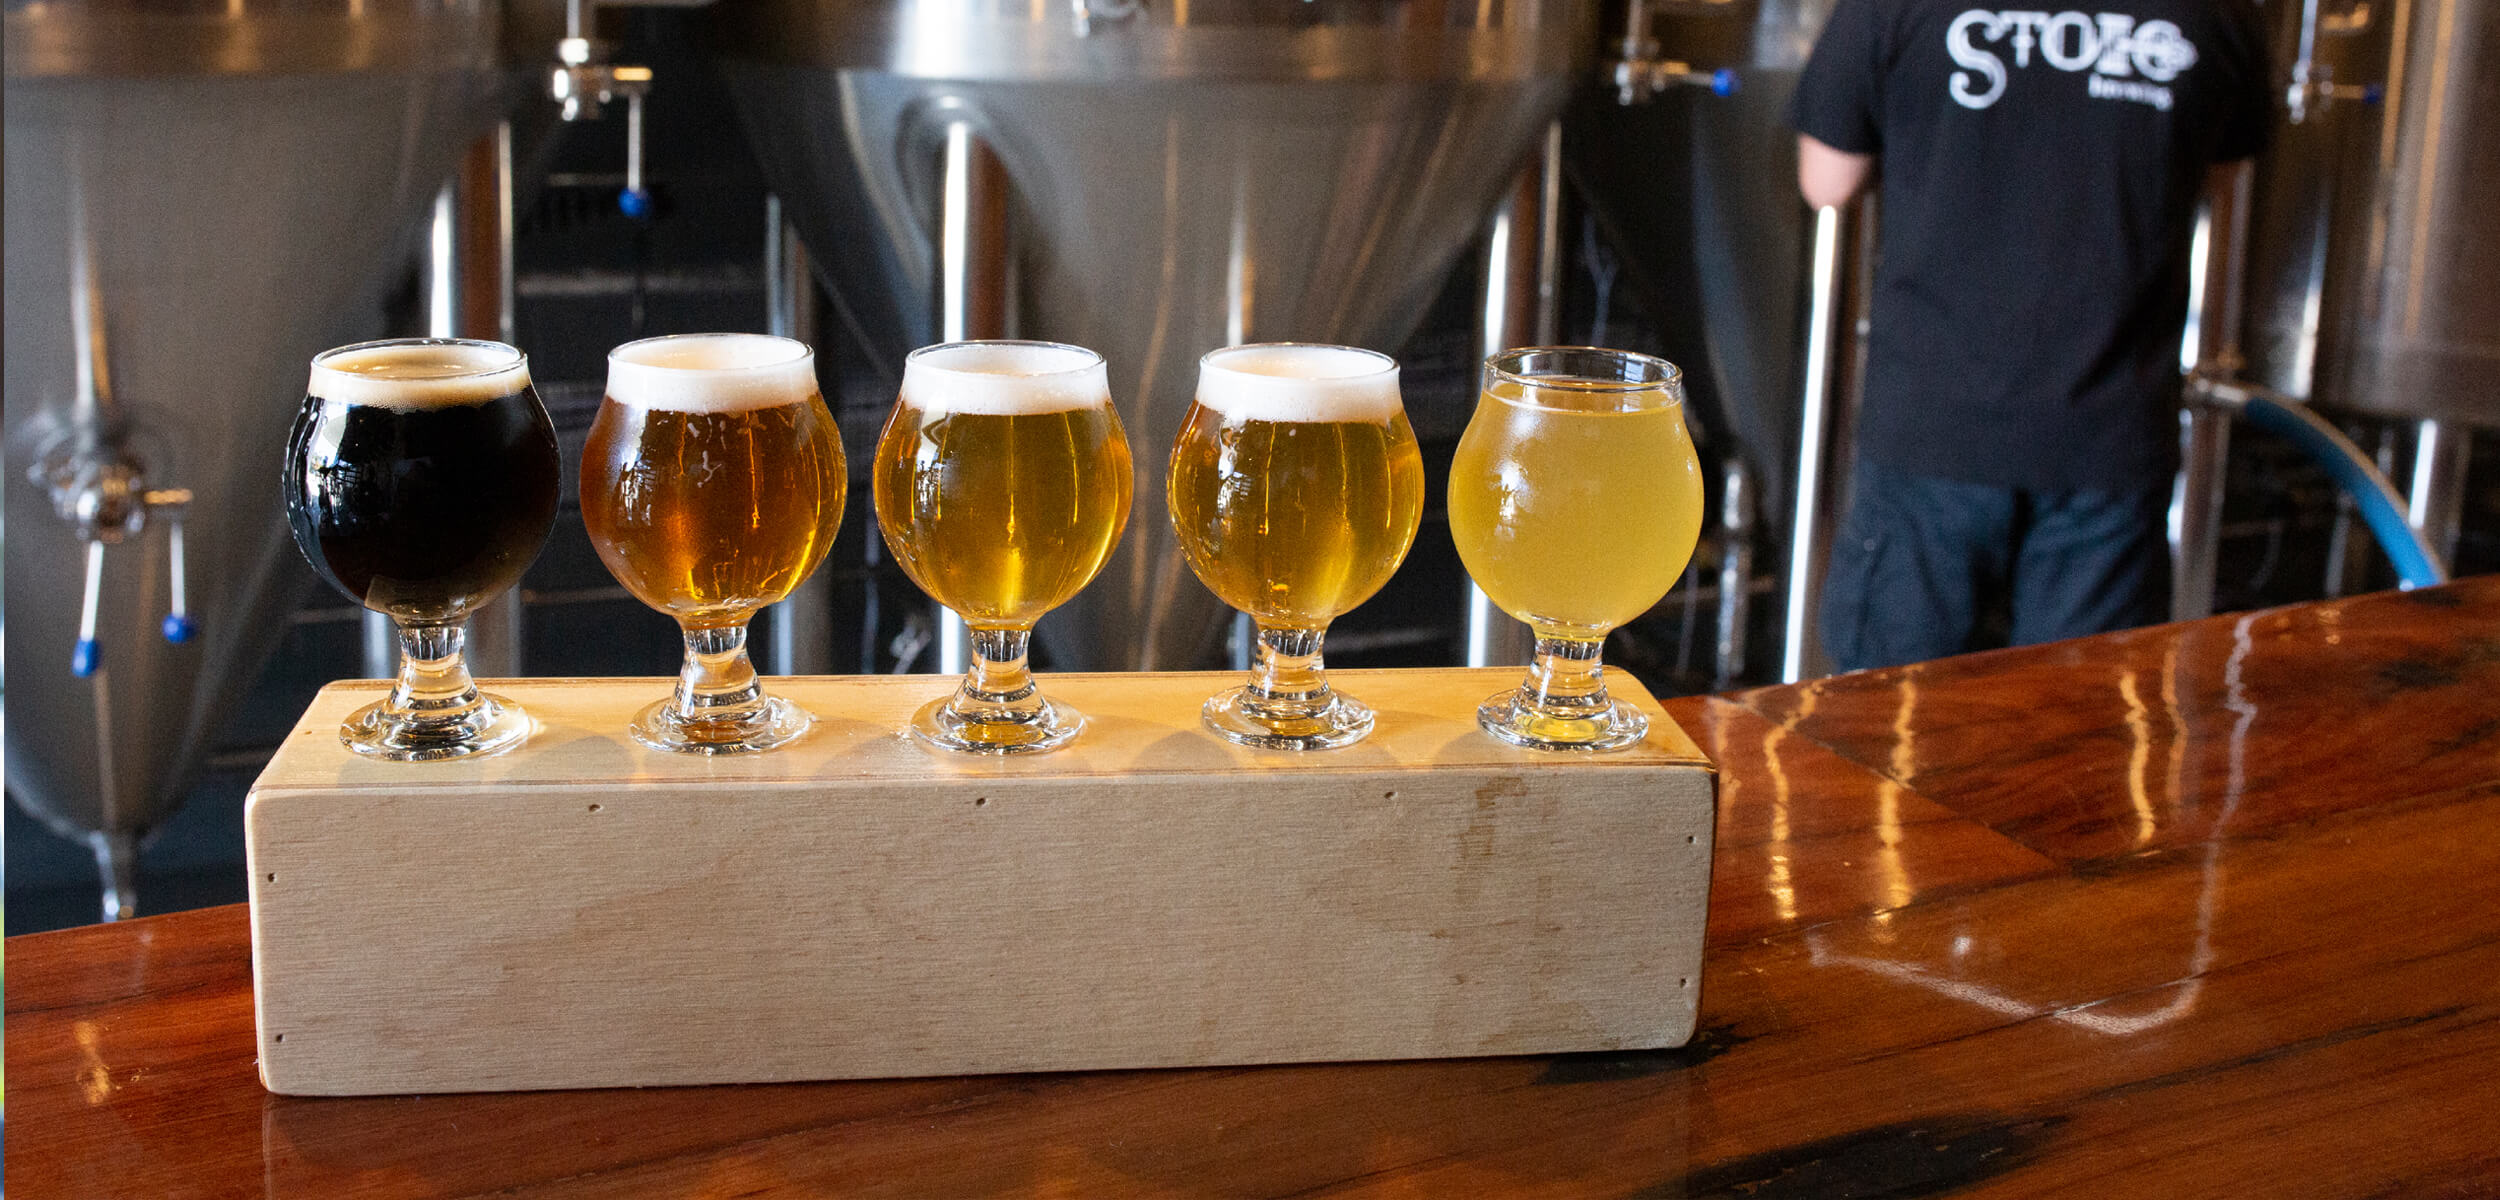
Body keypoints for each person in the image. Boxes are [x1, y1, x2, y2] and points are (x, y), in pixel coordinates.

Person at [1787, 0, 2273, 671]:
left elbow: (1827, 181)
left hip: (1934, 430)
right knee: (2075, 741)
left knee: (1882, 728)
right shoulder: (2220, 14)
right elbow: (2214, 177)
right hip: (2110, 438)